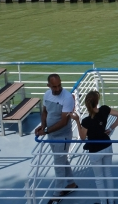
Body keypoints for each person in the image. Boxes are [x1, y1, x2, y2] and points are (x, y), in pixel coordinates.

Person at [72, 90, 118, 204]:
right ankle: (111, 202)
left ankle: (103, 202)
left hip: (95, 151)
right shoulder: (105, 109)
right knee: (108, 174)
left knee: (99, 178)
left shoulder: (86, 121)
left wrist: (77, 121)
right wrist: (111, 128)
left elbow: (82, 137)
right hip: (107, 145)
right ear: (97, 101)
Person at [34, 74, 78, 202]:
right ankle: (71, 184)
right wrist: (43, 126)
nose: (58, 88)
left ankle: (56, 194)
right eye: (54, 86)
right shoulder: (47, 95)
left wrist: (46, 131)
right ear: (48, 86)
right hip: (51, 135)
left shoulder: (67, 98)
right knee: (62, 160)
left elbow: (64, 122)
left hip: (62, 137)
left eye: (59, 85)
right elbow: (45, 112)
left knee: (58, 165)